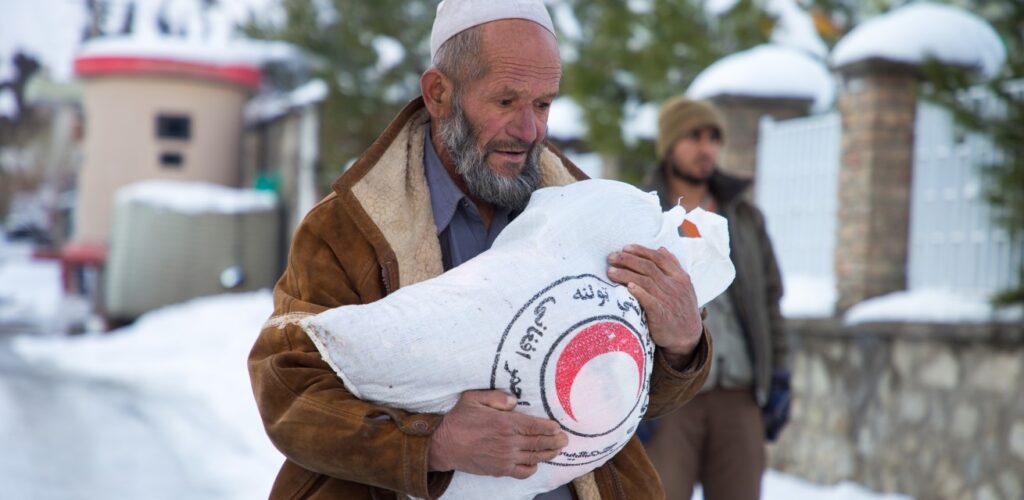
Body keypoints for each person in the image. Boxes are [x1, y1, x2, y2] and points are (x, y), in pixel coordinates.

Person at [247, 2, 714, 498]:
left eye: (543, 104)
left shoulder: (592, 216)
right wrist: (433, 444)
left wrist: (682, 345)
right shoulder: (346, 228)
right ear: (439, 94)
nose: (530, 130)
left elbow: (632, 396)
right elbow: (286, 388)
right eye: (506, 101)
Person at [640, 97, 791, 500]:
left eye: (713, 138)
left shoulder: (744, 217)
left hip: (738, 391)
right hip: (669, 397)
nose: (705, 148)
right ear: (669, 144)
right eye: (693, 137)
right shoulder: (641, 213)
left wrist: (779, 374)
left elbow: (770, 301)